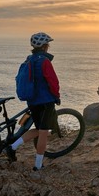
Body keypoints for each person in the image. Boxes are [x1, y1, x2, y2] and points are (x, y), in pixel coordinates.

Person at [6, 32, 60, 171]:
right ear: (45, 46)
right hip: (45, 101)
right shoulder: (44, 61)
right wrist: (57, 96)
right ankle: (38, 165)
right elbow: (53, 81)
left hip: (32, 101)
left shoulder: (29, 59)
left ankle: (12, 147)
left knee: (37, 129)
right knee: (43, 132)